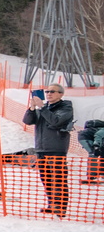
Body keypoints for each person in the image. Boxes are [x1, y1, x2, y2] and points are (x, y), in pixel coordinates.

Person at [23, 84, 72, 216]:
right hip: (41, 148)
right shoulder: (43, 108)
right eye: (47, 91)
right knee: (46, 178)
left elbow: (56, 121)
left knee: (59, 178)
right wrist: (32, 108)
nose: (49, 94)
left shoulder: (65, 107)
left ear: (60, 94)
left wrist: (42, 107)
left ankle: (60, 207)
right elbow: (27, 121)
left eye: (52, 92)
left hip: (56, 148)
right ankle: (52, 204)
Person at [77, 120, 104, 184]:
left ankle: (102, 173)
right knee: (93, 154)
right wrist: (96, 146)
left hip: (92, 139)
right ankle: (92, 176)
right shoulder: (103, 130)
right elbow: (98, 135)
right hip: (85, 137)